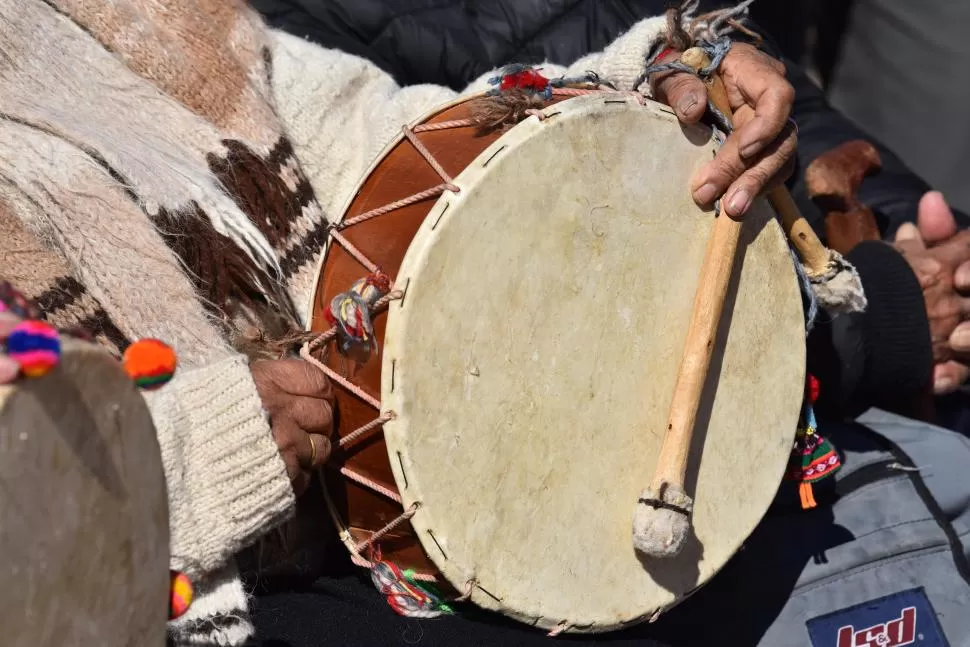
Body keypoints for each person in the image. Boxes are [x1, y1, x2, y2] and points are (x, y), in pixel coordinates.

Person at [0, 1, 967, 645]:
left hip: (454, 525)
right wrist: (198, 446)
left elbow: (387, 147)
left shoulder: (127, 14)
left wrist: (657, 84)